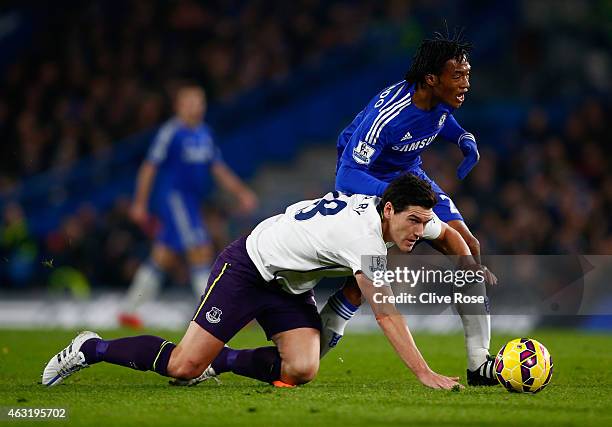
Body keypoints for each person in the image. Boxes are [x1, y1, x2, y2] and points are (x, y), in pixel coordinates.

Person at [43, 174, 473, 390]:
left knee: (302, 369)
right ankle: (90, 348)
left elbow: (449, 235)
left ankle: (222, 360)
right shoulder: (361, 235)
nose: (418, 231)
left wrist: (472, 269)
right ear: (388, 211)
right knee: (181, 366)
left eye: (423, 222)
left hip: (289, 287)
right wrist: (424, 373)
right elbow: (387, 315)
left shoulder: (400, 216)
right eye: (413, 221)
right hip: (249, 267)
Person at [319, 31, 498, 385]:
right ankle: (314, 343)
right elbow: (347, 175)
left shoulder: (441, 99)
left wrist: (464, 140)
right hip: (368, 183)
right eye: (458, 76)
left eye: (468, 75)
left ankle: (479, 364)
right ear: (431, 79)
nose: (466, 84)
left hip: (409, 176)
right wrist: (398, 199)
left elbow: (443, 121)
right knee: (363, 278)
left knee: (468, 248)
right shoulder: (387, 117)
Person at [118, 84, 258, 329]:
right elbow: (149, 167)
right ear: (179, 106)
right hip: (175, 200)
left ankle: (129, 311)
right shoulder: (171, 132)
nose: (197, 107)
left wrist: (241, 192)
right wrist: (139, 203)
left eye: (200, 101)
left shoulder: (204, 133)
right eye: (191, 102)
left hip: (191, 202)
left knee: (163, 257)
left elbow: (218, 168)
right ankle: (214, 314)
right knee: (200, 250)